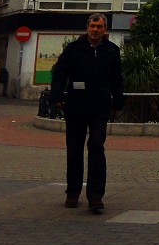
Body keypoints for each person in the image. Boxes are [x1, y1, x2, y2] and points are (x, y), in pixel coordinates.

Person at [50, 13, 125, 213]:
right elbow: (59, 72)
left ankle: (95, 196)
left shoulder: (111, 51)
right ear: (87, 27)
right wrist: (56, 95)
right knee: (74, 149)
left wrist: (118, 102)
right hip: (76, 106)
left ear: (104, 29)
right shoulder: (74, 49)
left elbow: (117, 79)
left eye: (99, 26)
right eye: (92, 26)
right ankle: (73, 192)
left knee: (96, 146)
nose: (95, 30)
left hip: (100, 107)